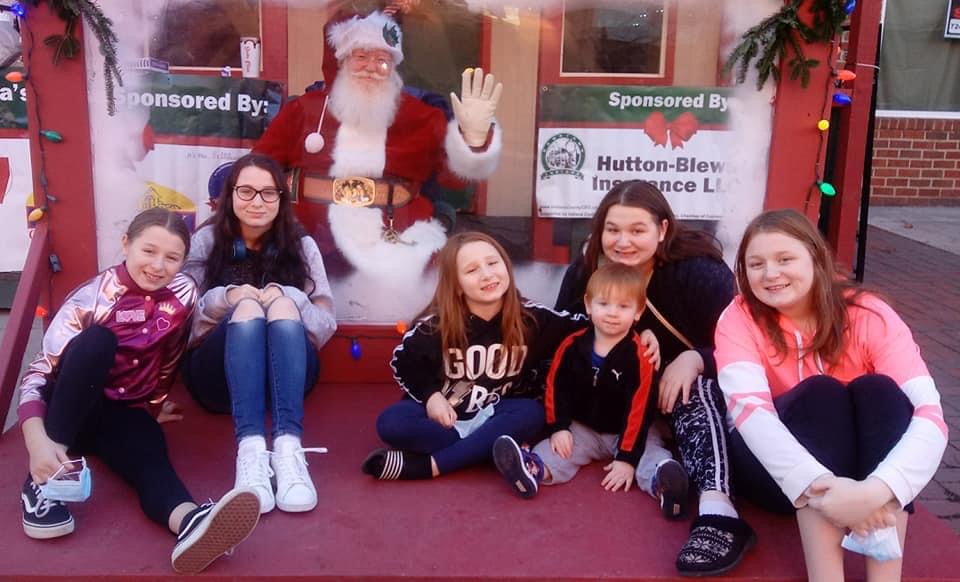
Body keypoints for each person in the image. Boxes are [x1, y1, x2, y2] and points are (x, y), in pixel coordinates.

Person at [17, 208, 260, 574]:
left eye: (172, 257)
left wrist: (156, 402)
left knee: (151, 459)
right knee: (97, 342)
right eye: (149, 251)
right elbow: (38, 372)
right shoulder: (91, 297)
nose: (159, 265)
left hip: (124, 410)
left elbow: (170, 355)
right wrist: (36, 438)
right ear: (126, 244)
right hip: (69, 411)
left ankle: (191, 521)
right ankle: (43, 481)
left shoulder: (184, 294)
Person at [715, 209, 948, 581]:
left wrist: (877, 490)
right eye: (755, 264)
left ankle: (885, 577)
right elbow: (750, 415)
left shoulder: (869, 313)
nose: (770, 273)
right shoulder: (739, 317)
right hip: (775, 473)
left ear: (816, 257)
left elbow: (930, 416)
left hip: (865, 479)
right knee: (821, 394)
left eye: (785, 259)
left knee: (881, 391)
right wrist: (825, 489)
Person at [554, 180, 754, 576]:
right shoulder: (586, 273)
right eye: (612, 230)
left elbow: (744, 343)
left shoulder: (697, 272)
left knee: (693, 389)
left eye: (637, 230)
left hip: (686, 397)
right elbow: (566, 340)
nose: (622, 242)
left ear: (662, 230)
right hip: (620, 406)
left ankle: (718, 511)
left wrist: (695, 358)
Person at [253, 10, 503, 278]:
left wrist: (472, 141)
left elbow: (454, 179)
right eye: (361, 57)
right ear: (342, 61)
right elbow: (257, 169)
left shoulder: (422, 115)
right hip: (312, 238)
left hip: (396, 237)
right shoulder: (304, 111)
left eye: (382, 60)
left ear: (394, 67)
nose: (371, 67)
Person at [362, 231, 606, 481]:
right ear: (456, 285)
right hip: (446, 419)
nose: (487, 274)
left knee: (532, 413)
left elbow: (586, 327)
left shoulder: (532, 320)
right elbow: (404, 362)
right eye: (472, 270)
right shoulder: (435, 326)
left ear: (506, 267)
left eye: (492, 263)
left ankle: (429, 466)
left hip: (498, 413)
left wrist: (643, 333)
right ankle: (484, 449)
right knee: (391, 422)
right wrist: (431, 397)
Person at [181, 153, 337, 515]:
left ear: (281, 200)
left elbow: (327, 324)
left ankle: (288, 451)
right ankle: (249, 455)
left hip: (286, 383)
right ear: (229, 196)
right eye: (246, 191)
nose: (257, 202)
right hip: (218, 380)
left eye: (269, 193)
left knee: (283, 305)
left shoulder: (301, 244)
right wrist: (226, 299)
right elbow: (178, 319)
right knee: (248, 308)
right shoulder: (205, 241)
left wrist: (293, 297)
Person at [492, 263, 662, 500]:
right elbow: (555, 388)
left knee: (651, 453)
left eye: (623, 306)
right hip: (584, 428)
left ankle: (661, 481)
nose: (612, 313)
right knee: (557, 447)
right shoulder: (572, 345)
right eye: (603, 304)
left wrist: (626, 458)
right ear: (588, 305)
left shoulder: (640, 356)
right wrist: (559, 427)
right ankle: (531, 469)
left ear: (638, 312)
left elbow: (640, 409)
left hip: (628, 431)